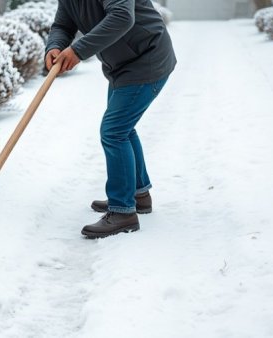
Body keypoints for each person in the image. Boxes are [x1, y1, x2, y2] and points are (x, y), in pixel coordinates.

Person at [44, 0, 176, 239]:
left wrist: (77, 50)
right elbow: (63, 24)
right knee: (122, 129)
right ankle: (138, 196)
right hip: (122, 66)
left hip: (148, 59)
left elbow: (122, 17)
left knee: (114, 132)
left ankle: (123, 211)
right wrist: (55, 45)